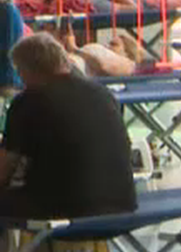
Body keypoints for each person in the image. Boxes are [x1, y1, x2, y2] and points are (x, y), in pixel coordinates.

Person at [0, 33, 136, 221]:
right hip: (122, 204)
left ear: (28, 70)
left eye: (19, 71)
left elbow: (4, 171)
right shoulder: (102, 93)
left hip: (66, 208)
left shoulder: (29, 101)